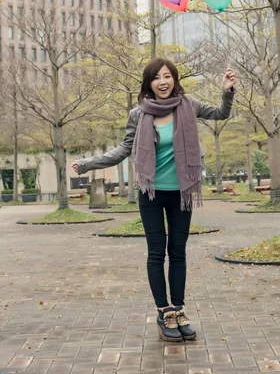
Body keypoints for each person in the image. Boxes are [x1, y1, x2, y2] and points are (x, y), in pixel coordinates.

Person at [72, 58, 236, 343]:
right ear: (149, 83)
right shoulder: (139, 114)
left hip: (181, 192)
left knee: (179, 251)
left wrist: (227, 91)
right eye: (157, 78)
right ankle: (164, 312)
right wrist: (88, 164)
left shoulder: (189, 105)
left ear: (174, 79)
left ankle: (179, 310)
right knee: (156, 252)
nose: (163, 82)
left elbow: (221, 114)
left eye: (168, 76)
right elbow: (124, 149)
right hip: (150, 192)